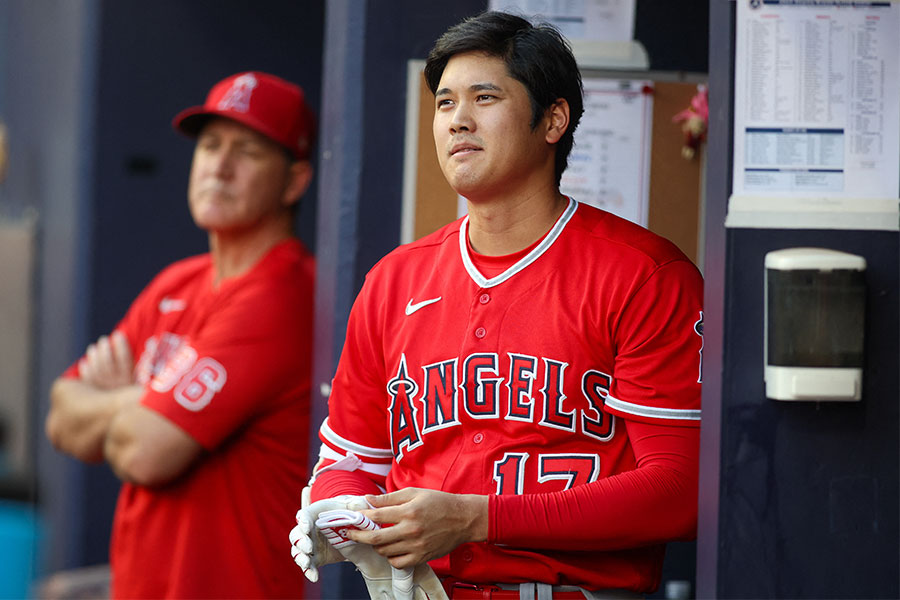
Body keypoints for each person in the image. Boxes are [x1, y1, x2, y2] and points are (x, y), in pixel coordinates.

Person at [291, 11, 703, 600]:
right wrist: (340, 510)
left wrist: (478, 518)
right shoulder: (393, 280)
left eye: (485, 97)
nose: (458, 120)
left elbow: (681, 491)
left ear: (553, 120)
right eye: (444, 103)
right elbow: (351, 460)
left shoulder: (645, 275)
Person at [46, 71, 317, 599]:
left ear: (294, 181)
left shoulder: (283, 294)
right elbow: (60, 417)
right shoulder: (177, 283)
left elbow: (145, 452)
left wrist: (125, 401)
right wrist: (146, 402)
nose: (219, 166)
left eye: (248, 151)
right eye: (210, 146)